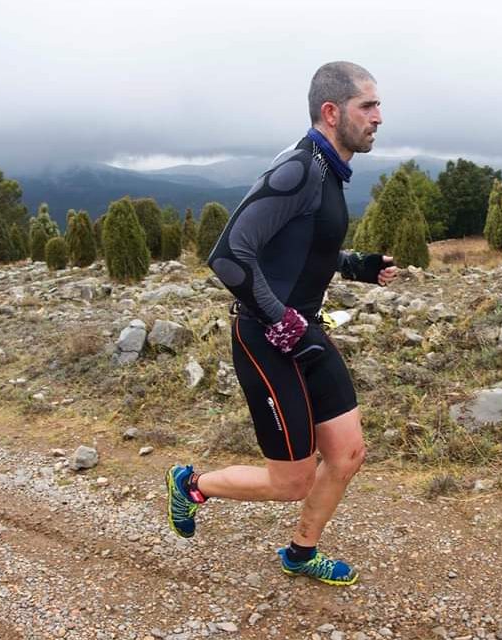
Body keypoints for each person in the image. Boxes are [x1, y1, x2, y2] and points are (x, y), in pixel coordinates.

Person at [165, 61, 397, 586]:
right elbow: (229, 257)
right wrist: (279, 321)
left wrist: (353, 264)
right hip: (264, 337)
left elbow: (300, 247)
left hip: (300, 328)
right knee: (292, 480)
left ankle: (299, 552)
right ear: (331, 112)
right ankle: (191, 485)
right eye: (369, 106)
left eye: (379, 105)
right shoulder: (299, 168)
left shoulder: (329, 171)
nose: (379, 117)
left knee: (348, 453)